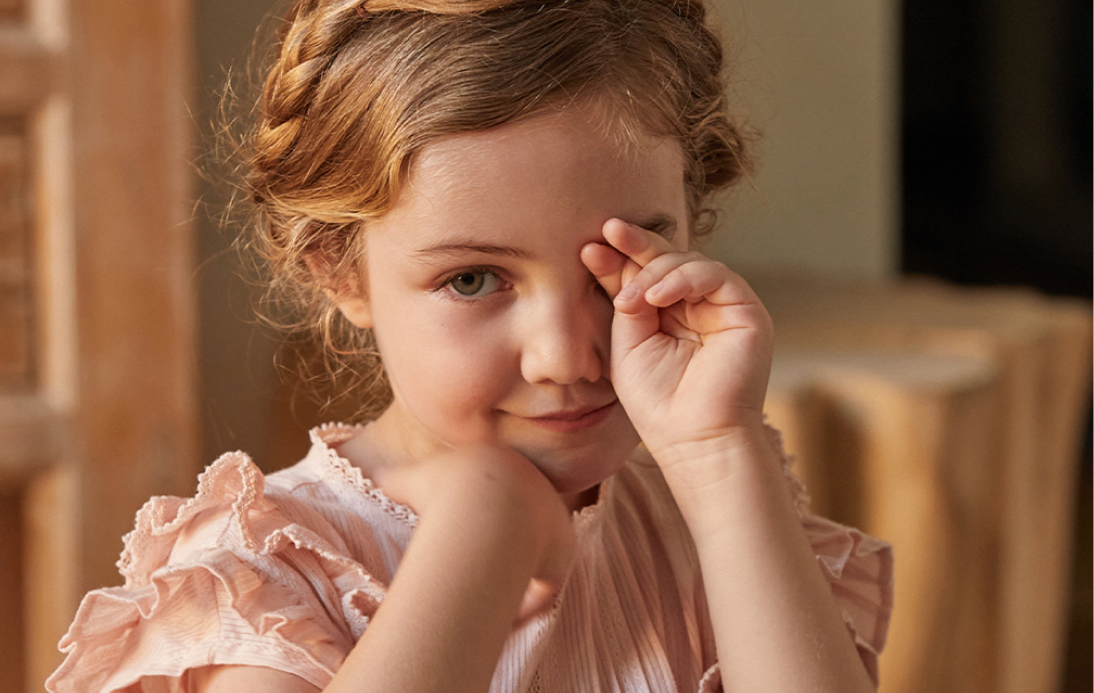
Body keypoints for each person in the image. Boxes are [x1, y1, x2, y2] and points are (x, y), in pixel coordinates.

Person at [46, 0, 893, 691]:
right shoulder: (269, 569)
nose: (567, 355)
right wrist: (483, 528)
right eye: (474, 279)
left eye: (614, 268)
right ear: (339, 272)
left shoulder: (710, 513)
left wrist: (717, 453)